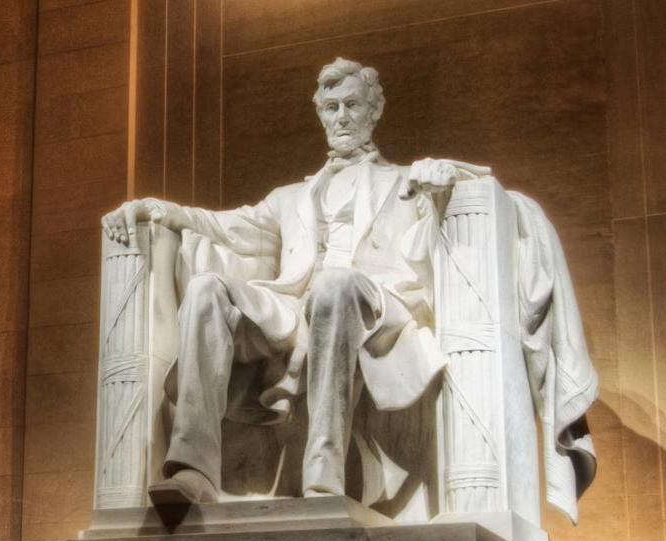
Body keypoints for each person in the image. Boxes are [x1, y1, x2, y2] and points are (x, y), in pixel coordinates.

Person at [100, 58, 470, 505]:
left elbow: (438, 227)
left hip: (374, 306)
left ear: (374, 111)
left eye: (353, 104)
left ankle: (324, 472)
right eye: (331, 106)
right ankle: (192, 470)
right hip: (299, 308)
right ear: (321, 114)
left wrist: (444, 185)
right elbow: (224, 225)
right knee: (207, 290)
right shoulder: (290, 198)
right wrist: (158, 208)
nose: (342, 116)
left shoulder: (403, 181)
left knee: (335, 284)